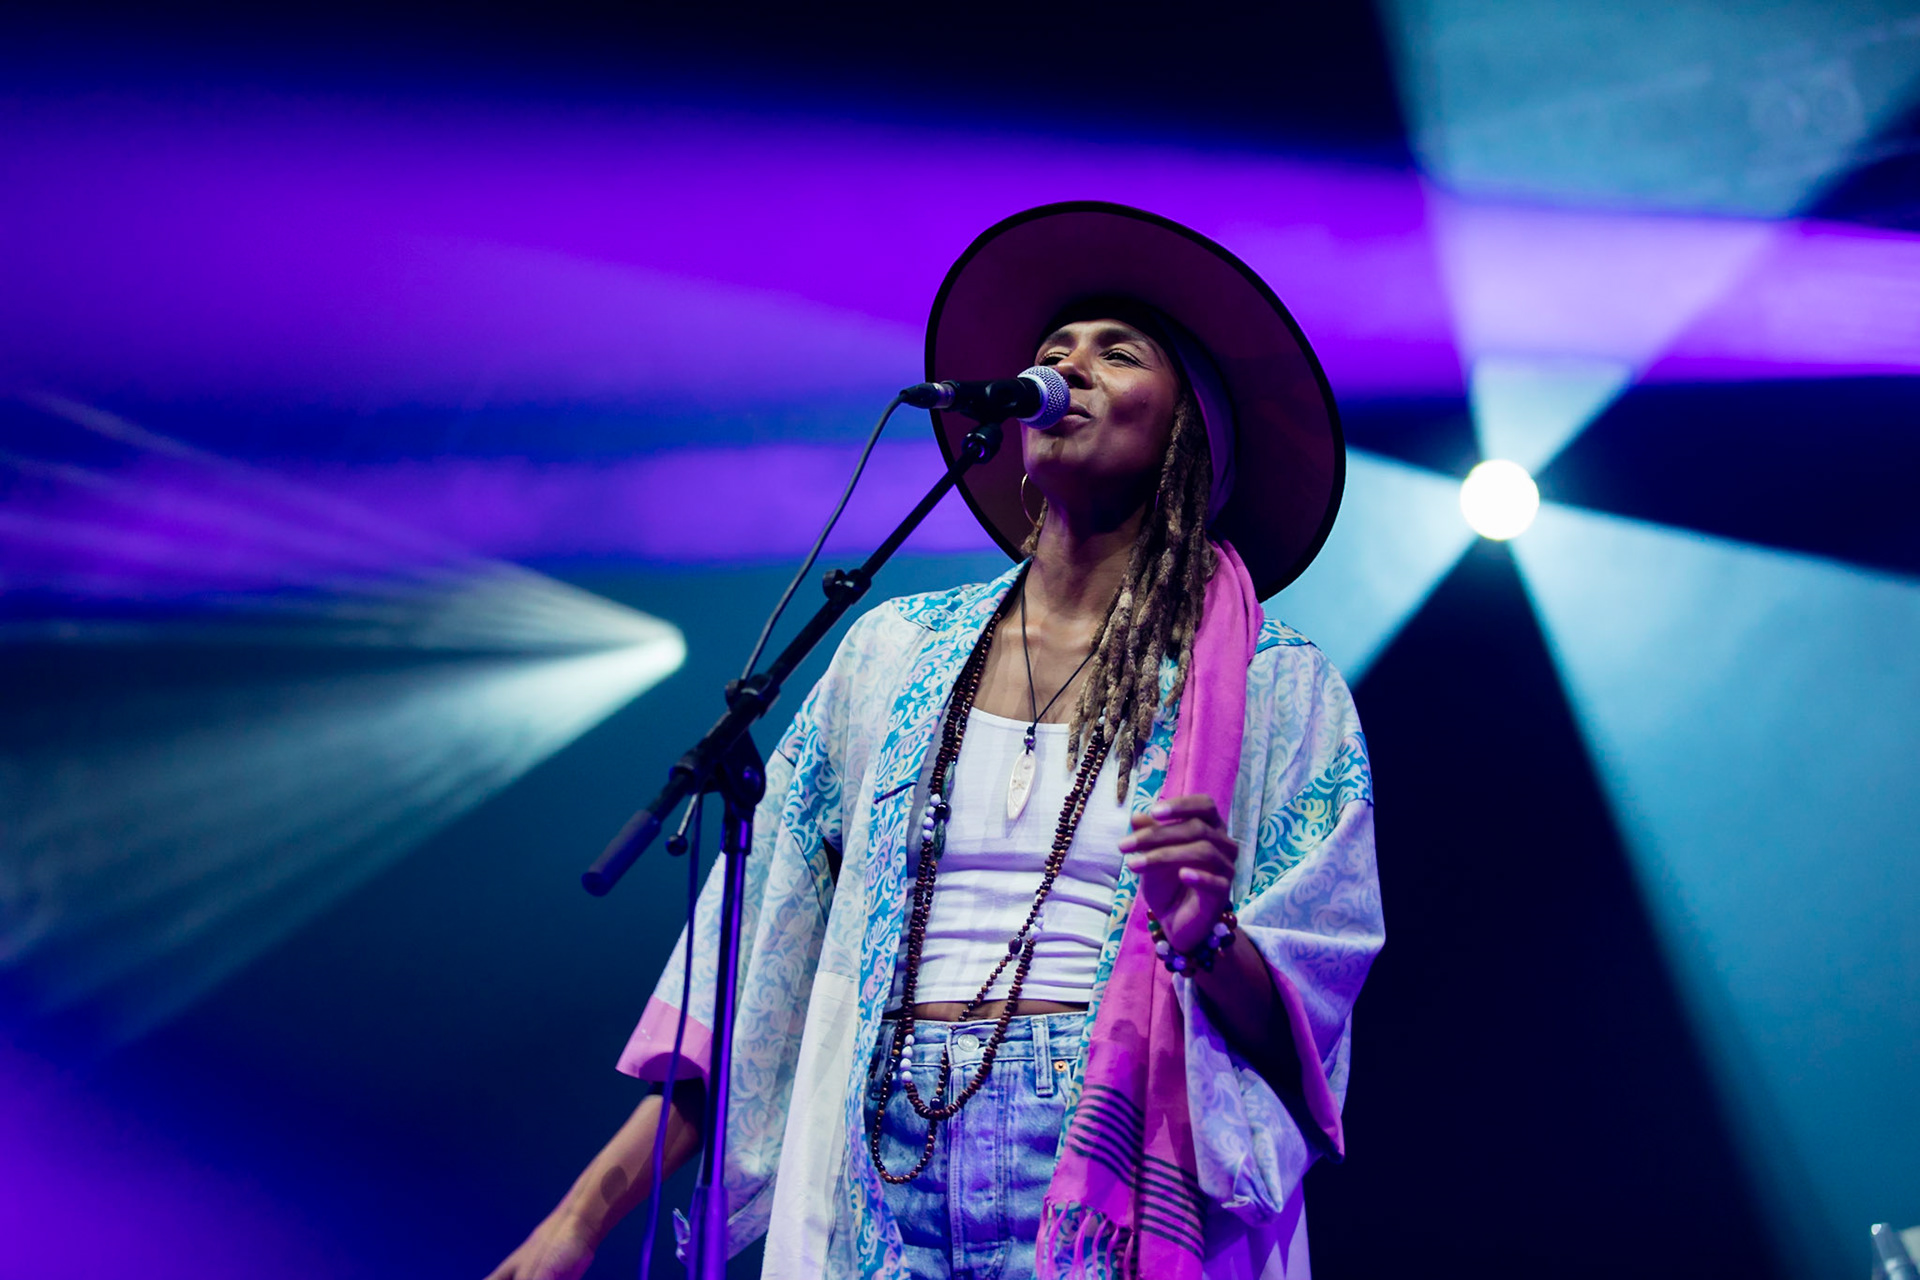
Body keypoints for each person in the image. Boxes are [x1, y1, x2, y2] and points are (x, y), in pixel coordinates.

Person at [486, 202, 1382, 1280]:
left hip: (1112, 1163)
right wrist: (578, 1220)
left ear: (1192, 427)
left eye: (1117, 353)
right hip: (886, 1134)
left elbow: (1310, 1023)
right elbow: (753, 976)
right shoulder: (892, 654)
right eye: (1052, 353)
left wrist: (1207, 936)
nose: (1069, 369)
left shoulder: (1279, 685)